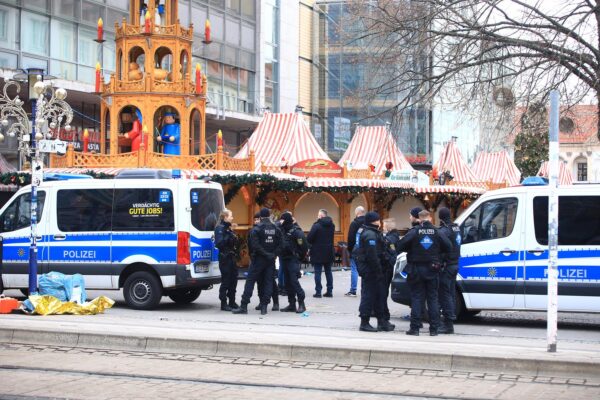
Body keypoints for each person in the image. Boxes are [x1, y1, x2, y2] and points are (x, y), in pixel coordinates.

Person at [397, 209, 452, 336]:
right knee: (433, 298)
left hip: (416, 269)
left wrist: (411, 248)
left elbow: (400, 245)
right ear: (430, 218)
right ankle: (434, 329)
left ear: (419, 219)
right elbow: (449, 246)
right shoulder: (437, 232)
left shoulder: (414, 232)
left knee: (417, 298)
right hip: (433, 269)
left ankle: (415, 328)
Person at [233, 208, 283, 315]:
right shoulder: (276, 228)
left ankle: (244, 306)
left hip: (258, 259)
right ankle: (264, 306)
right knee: (268, 282)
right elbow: (281, 244)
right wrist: (273, 254)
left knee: (250, 282)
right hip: (270, 260)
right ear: (269, 215)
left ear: (260, 217)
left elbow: (255, 245)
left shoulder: (257, 229)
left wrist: (265, 254)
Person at [352, 211, 394, 332]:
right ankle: (364, 322)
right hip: (371, 271)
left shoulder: (371, 232)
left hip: (375, 270)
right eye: (378, 220)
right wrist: (378, 271)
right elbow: (372, 257)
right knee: (368, 296)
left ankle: (382, 321)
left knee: (379, 296)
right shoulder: (370, 235)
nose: (380, 222)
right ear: (374, 221)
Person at [437, 207, 462, 334]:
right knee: (450, 293)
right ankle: (449, 321)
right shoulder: (456, 228)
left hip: (446, 266)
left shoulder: (444, 230)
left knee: (445, 294)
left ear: (440, 217)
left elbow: (441, 249)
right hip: (454, 264)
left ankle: (447, 323)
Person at [279, 212, 309, 313]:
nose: (280, 221)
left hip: (292, 260)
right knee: (287, 283)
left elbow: (304, 247)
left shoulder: (296, 232)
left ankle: (301, 303)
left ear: (286, 220)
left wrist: (299, 257)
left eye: (282, 219)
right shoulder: (282, 230)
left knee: (294, 282)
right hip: (284, 259)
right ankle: (292, 304)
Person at [250, 212, 279, 311]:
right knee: (260, 283)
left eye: (258, 219)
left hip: (268, 259)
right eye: (255, 220)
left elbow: (277, 243)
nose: (256, 221)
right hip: (258, 259)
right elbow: (251, 245)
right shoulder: (254, 230)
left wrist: (273, 254)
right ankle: (262, 302)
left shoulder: (270, 228)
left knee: (270, 282)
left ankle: (275, 302)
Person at [214, 209, 239, 311]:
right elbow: (220, 243)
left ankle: (232, 301)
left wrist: (232, 234)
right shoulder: (220, 228)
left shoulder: (228, 228)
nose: (232, 218)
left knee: (234, 280)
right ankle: (223, 303)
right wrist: (229, 235)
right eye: (230, 216)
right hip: (225, 257)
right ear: (225, 217)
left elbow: (233, 243)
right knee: (226, 280)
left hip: (231, 257)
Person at [307, 209, 335, 298]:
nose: (317, 216)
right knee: (328, 272)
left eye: (318, 215)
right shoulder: (332, 225)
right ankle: (329, 291)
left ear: (321, 216)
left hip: (317, 252)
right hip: (329, 251)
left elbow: (309, 238)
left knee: (318, 272)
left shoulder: (316, 226)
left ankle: (318, 292)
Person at [382, 218, 401, 322]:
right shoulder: (393, 236)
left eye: (384, 225)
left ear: (388, 227)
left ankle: (384, 314)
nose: (382, 227)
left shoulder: (390, 238)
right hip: (389, 267)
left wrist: (388, 262)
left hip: (387, 268)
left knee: (383, 290)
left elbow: (393, 253)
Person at [345, 206, 366, 297]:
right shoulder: (367, 223)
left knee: (354, 270)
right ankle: (364, 290)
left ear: (357, 213)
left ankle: (353, 290)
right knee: (365, 270)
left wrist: (350, 249)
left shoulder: (354, 223)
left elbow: (350, 238)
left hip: (355, 249)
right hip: (366, 250)